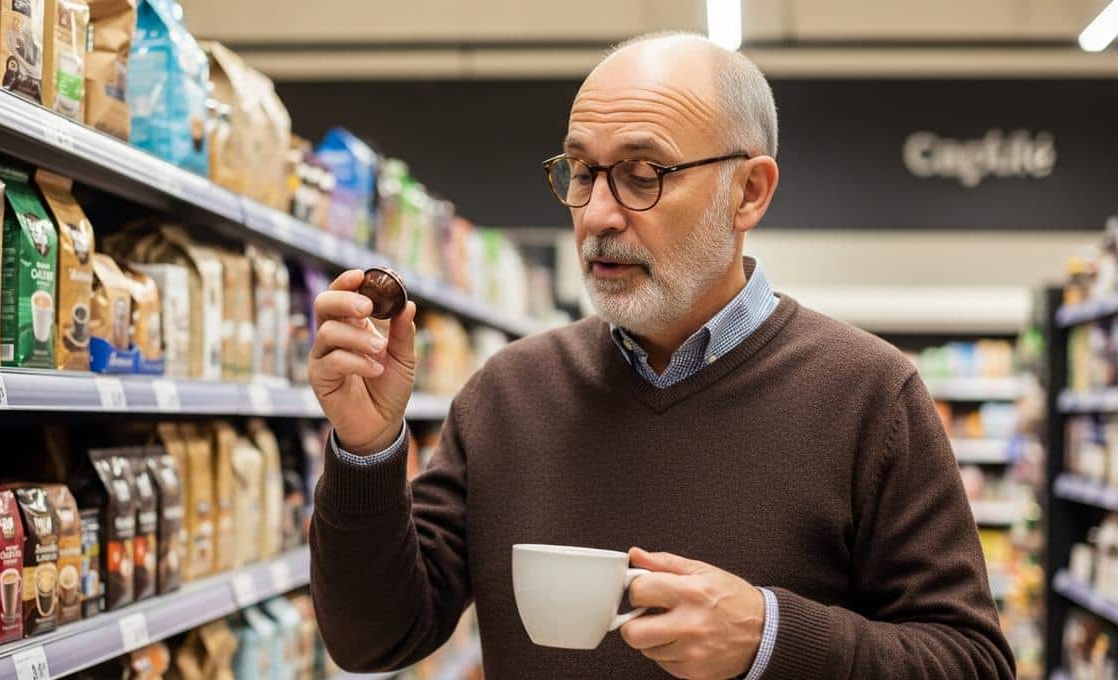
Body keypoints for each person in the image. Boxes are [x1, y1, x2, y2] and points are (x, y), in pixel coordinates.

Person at [307, 32, 1016, 680]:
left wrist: (771, 638)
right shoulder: (507, 395)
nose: (599, 215)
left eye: (644, 173)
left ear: (749, 192)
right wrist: (366, 448)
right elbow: (376, 639)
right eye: (582, 172)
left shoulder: (869, 395)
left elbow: (972, 661)